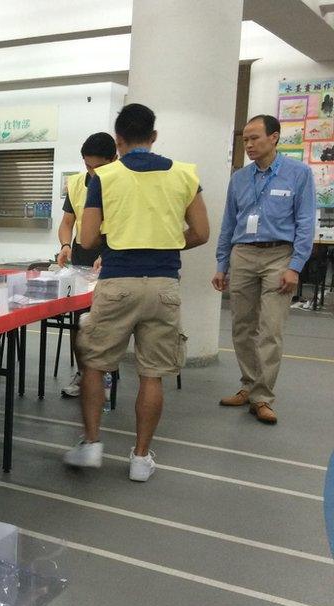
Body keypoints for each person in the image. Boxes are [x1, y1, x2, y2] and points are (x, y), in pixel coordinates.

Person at [63, 103, 210, 482]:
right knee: (152, 373)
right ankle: (141, 459)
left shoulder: (104, 177)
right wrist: (165, 244)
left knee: (94, 363)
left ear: (119, 140)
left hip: (118, 281)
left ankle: (92, 443)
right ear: (154, 137)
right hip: (164, 285)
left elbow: (90, 236)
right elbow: (202, 232)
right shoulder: (185, 174)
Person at [212, 114, 316, 424]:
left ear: (274, 138)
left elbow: (305, 223)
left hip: (279, 256)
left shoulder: (298, 174)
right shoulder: (240, 178)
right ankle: (248, 385)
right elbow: (229, 224)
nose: (249, 144)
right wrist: (222, 264)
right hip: (243, 254)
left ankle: (263, 397)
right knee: (242, 326)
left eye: (255, 138)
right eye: (245, 139)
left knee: (270, 328)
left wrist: (295, 266)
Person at [57, 132, 118, 398]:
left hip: (112, 256)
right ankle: (83, 374)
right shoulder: (78, 184)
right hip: (82, 256)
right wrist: (65, 245)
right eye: (87, 165)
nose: (92, 171)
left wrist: (110, 253)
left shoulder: (122, 182)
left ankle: (103, 378)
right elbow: (67, 222)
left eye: (98, 166)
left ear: (114, 159)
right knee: (78, 322)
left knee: (103, 321)